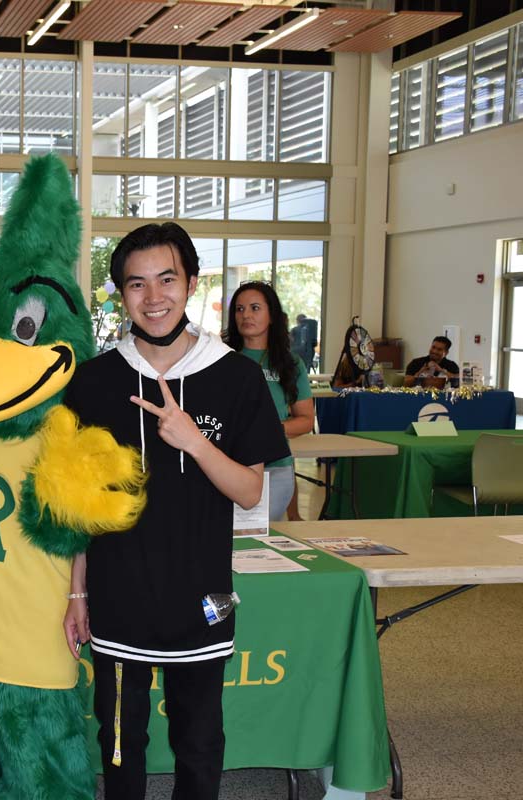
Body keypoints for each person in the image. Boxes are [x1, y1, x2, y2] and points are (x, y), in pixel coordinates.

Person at [63, 222, 288, 800]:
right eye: (136, 285)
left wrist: (195, 441)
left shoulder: (237, 377)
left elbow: (250, 491)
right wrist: (77, 594)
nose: (153, 297)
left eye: (167, 279)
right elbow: (84, 507)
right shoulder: (93, 381)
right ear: (121, 295)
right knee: (118, 747)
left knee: (199, 745)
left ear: (191, 284)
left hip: (202, 602)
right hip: (117, 602)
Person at [226, 281, 315, 522]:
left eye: (255, 308)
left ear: (272, 315)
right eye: (239, 309)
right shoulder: (221, 360)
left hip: (276, 468)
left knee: (259, 541)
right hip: (229, 467)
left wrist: (267, 431)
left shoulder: (290, 363)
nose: (246, 315)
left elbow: (306, 420)